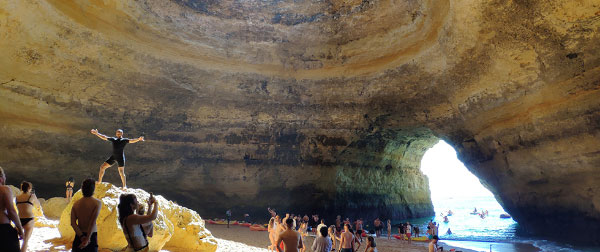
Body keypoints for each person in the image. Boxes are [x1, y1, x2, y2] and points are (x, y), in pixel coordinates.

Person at [71, 178, 102, 252]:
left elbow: (73, 223)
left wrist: (82, 237)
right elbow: (92, 222)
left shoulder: (76, 204)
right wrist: (87, 239)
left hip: (79, 236)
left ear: (82, 189)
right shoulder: (97, 203)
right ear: (93, 189)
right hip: (91, 236)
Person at [0, 167, 24, 252]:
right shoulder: (4, 189)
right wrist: (20, 229)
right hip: (3, 229)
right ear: (1, 177)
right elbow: (11, 211)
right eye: (4, 175)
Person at [16, 181, 40, 252]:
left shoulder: (17, 197)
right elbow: (38, 205)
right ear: (29, 188)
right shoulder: (32, 196)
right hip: (29, 219)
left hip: (19, 219)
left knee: (16, 239)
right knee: (25, 241)